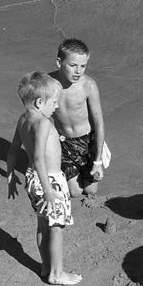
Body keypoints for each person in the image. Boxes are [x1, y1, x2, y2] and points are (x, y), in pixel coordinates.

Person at [5, 72, 81, 285]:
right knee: (56, 227)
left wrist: (10, 175)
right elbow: (39, 157)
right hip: (50, 181)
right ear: (40, 102)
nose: (56, 107)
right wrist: (48, 190)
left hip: (32, 178)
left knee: (42, 224)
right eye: (54, 102)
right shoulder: (43, 123)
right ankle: (57, 273)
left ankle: (45, 267)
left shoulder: (23, 119)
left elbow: (13, 150)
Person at [51, 38, 109, 201]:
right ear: (59, 62)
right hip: (63, 142)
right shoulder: (49, 85)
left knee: (91, 190)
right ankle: (65, 169)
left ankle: (87, 167)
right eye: (73, 65)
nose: (78, 71)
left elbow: (99, 123)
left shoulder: (88, 85)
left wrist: (98, 161)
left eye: (83, 66)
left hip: (87, 142)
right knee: (75, 192)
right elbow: (40, 117)